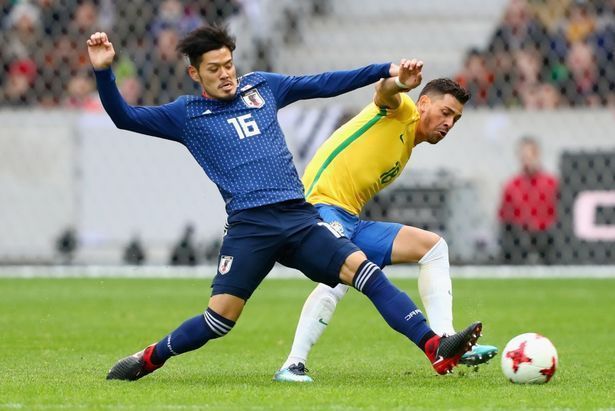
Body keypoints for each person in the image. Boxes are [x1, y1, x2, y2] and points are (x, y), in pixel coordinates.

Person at [87, 25, 482, 382]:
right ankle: (150, 357)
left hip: (298, 216)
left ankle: (434, 347)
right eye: (214, 69)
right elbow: (125, 117)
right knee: (219, 321)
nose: (226, 74)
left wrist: (386, 70)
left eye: (228, 64)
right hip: (250, 227)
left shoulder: (262, 87)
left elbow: (325, 82)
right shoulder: (186, 114)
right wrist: (104, 72)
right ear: (195, 74)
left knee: (366, 273)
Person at [273, 62, 498, 383]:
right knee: (336, 279)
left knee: (433, 247)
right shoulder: (402, 110)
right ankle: (292, 365)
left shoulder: (408, 143)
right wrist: (400, 83)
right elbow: (384, 93)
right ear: (423, 103)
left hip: (349, 218)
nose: (449, 123)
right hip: (319, 206)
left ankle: (447, 342)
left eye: (456, 119)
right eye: (445, 112)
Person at [498, 136, 559, 264]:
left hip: (546, 233)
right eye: (523, 156)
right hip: (520, 233)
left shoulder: (551, 183)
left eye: (530, 155)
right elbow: (504, 216)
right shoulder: (512, 185)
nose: (527, 160)